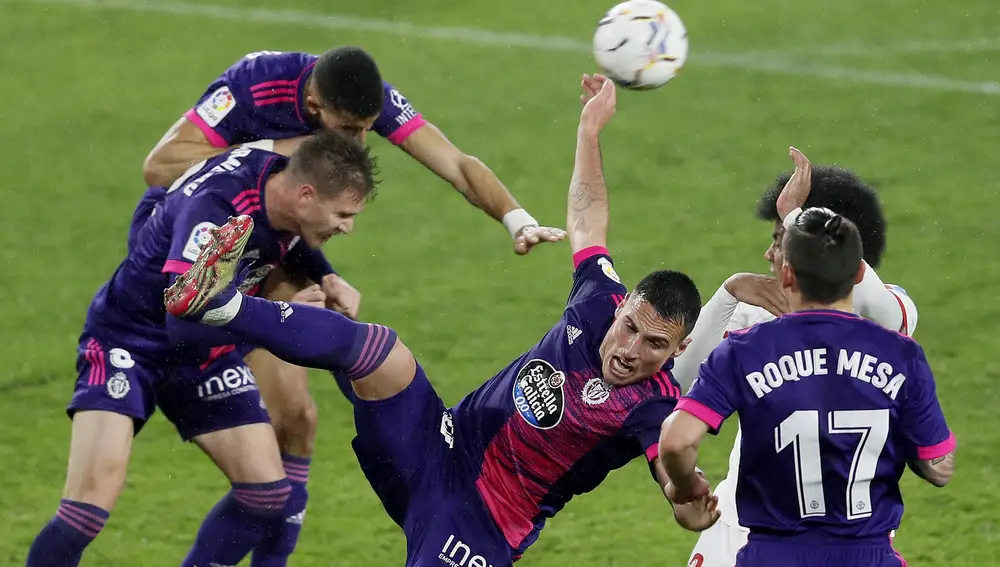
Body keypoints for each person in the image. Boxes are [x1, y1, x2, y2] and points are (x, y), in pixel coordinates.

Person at [165, 76, 720, 566]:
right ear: (621, 307)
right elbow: (586, 217)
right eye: (631, 328)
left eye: (654, 345)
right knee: (381, 352)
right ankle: (221, 303)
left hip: (482, 526)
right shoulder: (598, 299)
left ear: (678, 350)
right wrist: (589, 133)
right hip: (436, 444)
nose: (631, 349)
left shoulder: (653, 407)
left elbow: (671, 462)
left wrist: (684, 500)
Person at [142, 45, 563, 564]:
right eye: (348, 130)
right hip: (205, 249)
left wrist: (516, 219)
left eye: (369, 128)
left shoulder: (363, 96)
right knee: (266, 452)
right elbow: (160, 167)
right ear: (314, 105)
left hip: (281, 245)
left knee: (298, 421)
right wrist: (284, 153)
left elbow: (454, 163)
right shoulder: (256, 85)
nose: (362, 143)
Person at [25, 130, 378, 567]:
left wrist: (324, 276)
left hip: (205, 347)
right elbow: (183, 324)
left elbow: (285, 239)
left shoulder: (277, 183)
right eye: (343, 214)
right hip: (131, 343)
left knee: (265, 495)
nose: (348, 226)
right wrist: (276, 314)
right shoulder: (216, 211)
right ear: (306, 196)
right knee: (86, 513)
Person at [659, 204, 956, 567]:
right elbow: (938, 468)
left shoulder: (746, 348)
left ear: (787, 276)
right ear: (857, 272)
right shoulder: (901, 355)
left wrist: (685, 487)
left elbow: (677, 440)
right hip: (867, 555)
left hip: (771, 552)